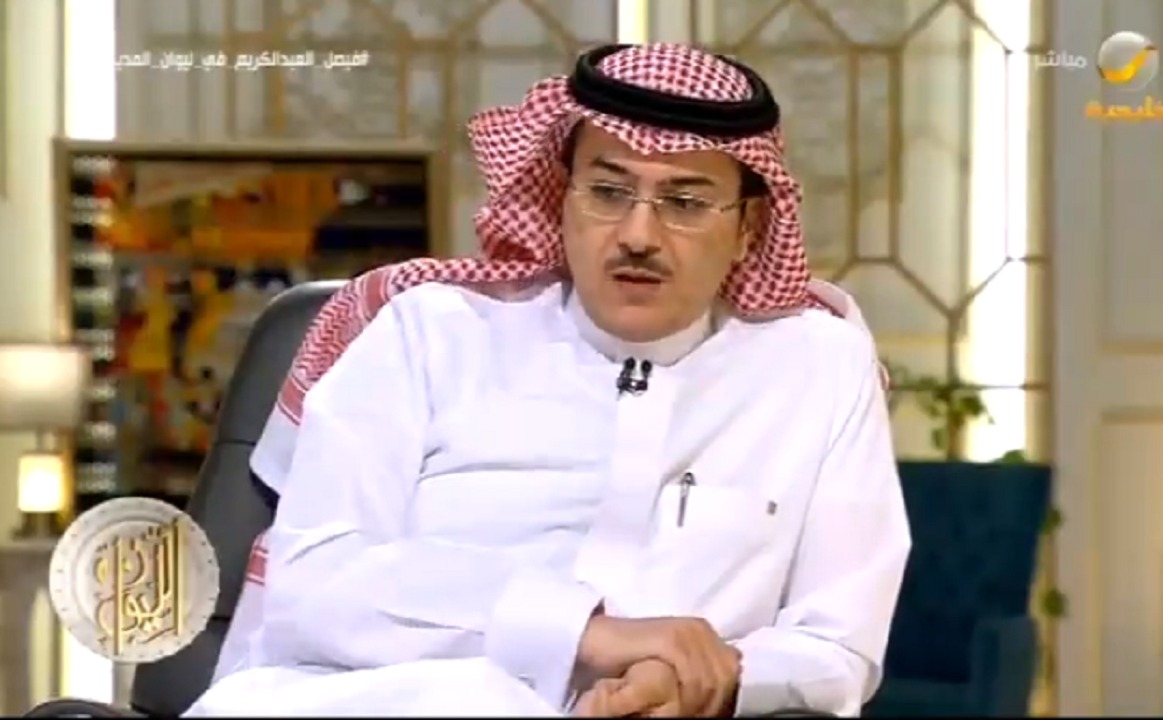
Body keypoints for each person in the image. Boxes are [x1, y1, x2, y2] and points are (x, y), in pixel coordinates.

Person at [186, 42, 910, 718]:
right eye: (608, 192)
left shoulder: (816, 368)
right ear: (561, 198)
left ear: (750, 227)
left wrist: (705, 679)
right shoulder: (430, 333)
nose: (638, 235)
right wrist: (581, 632)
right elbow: (314, 586)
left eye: (686, 203)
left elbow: (838, 646)